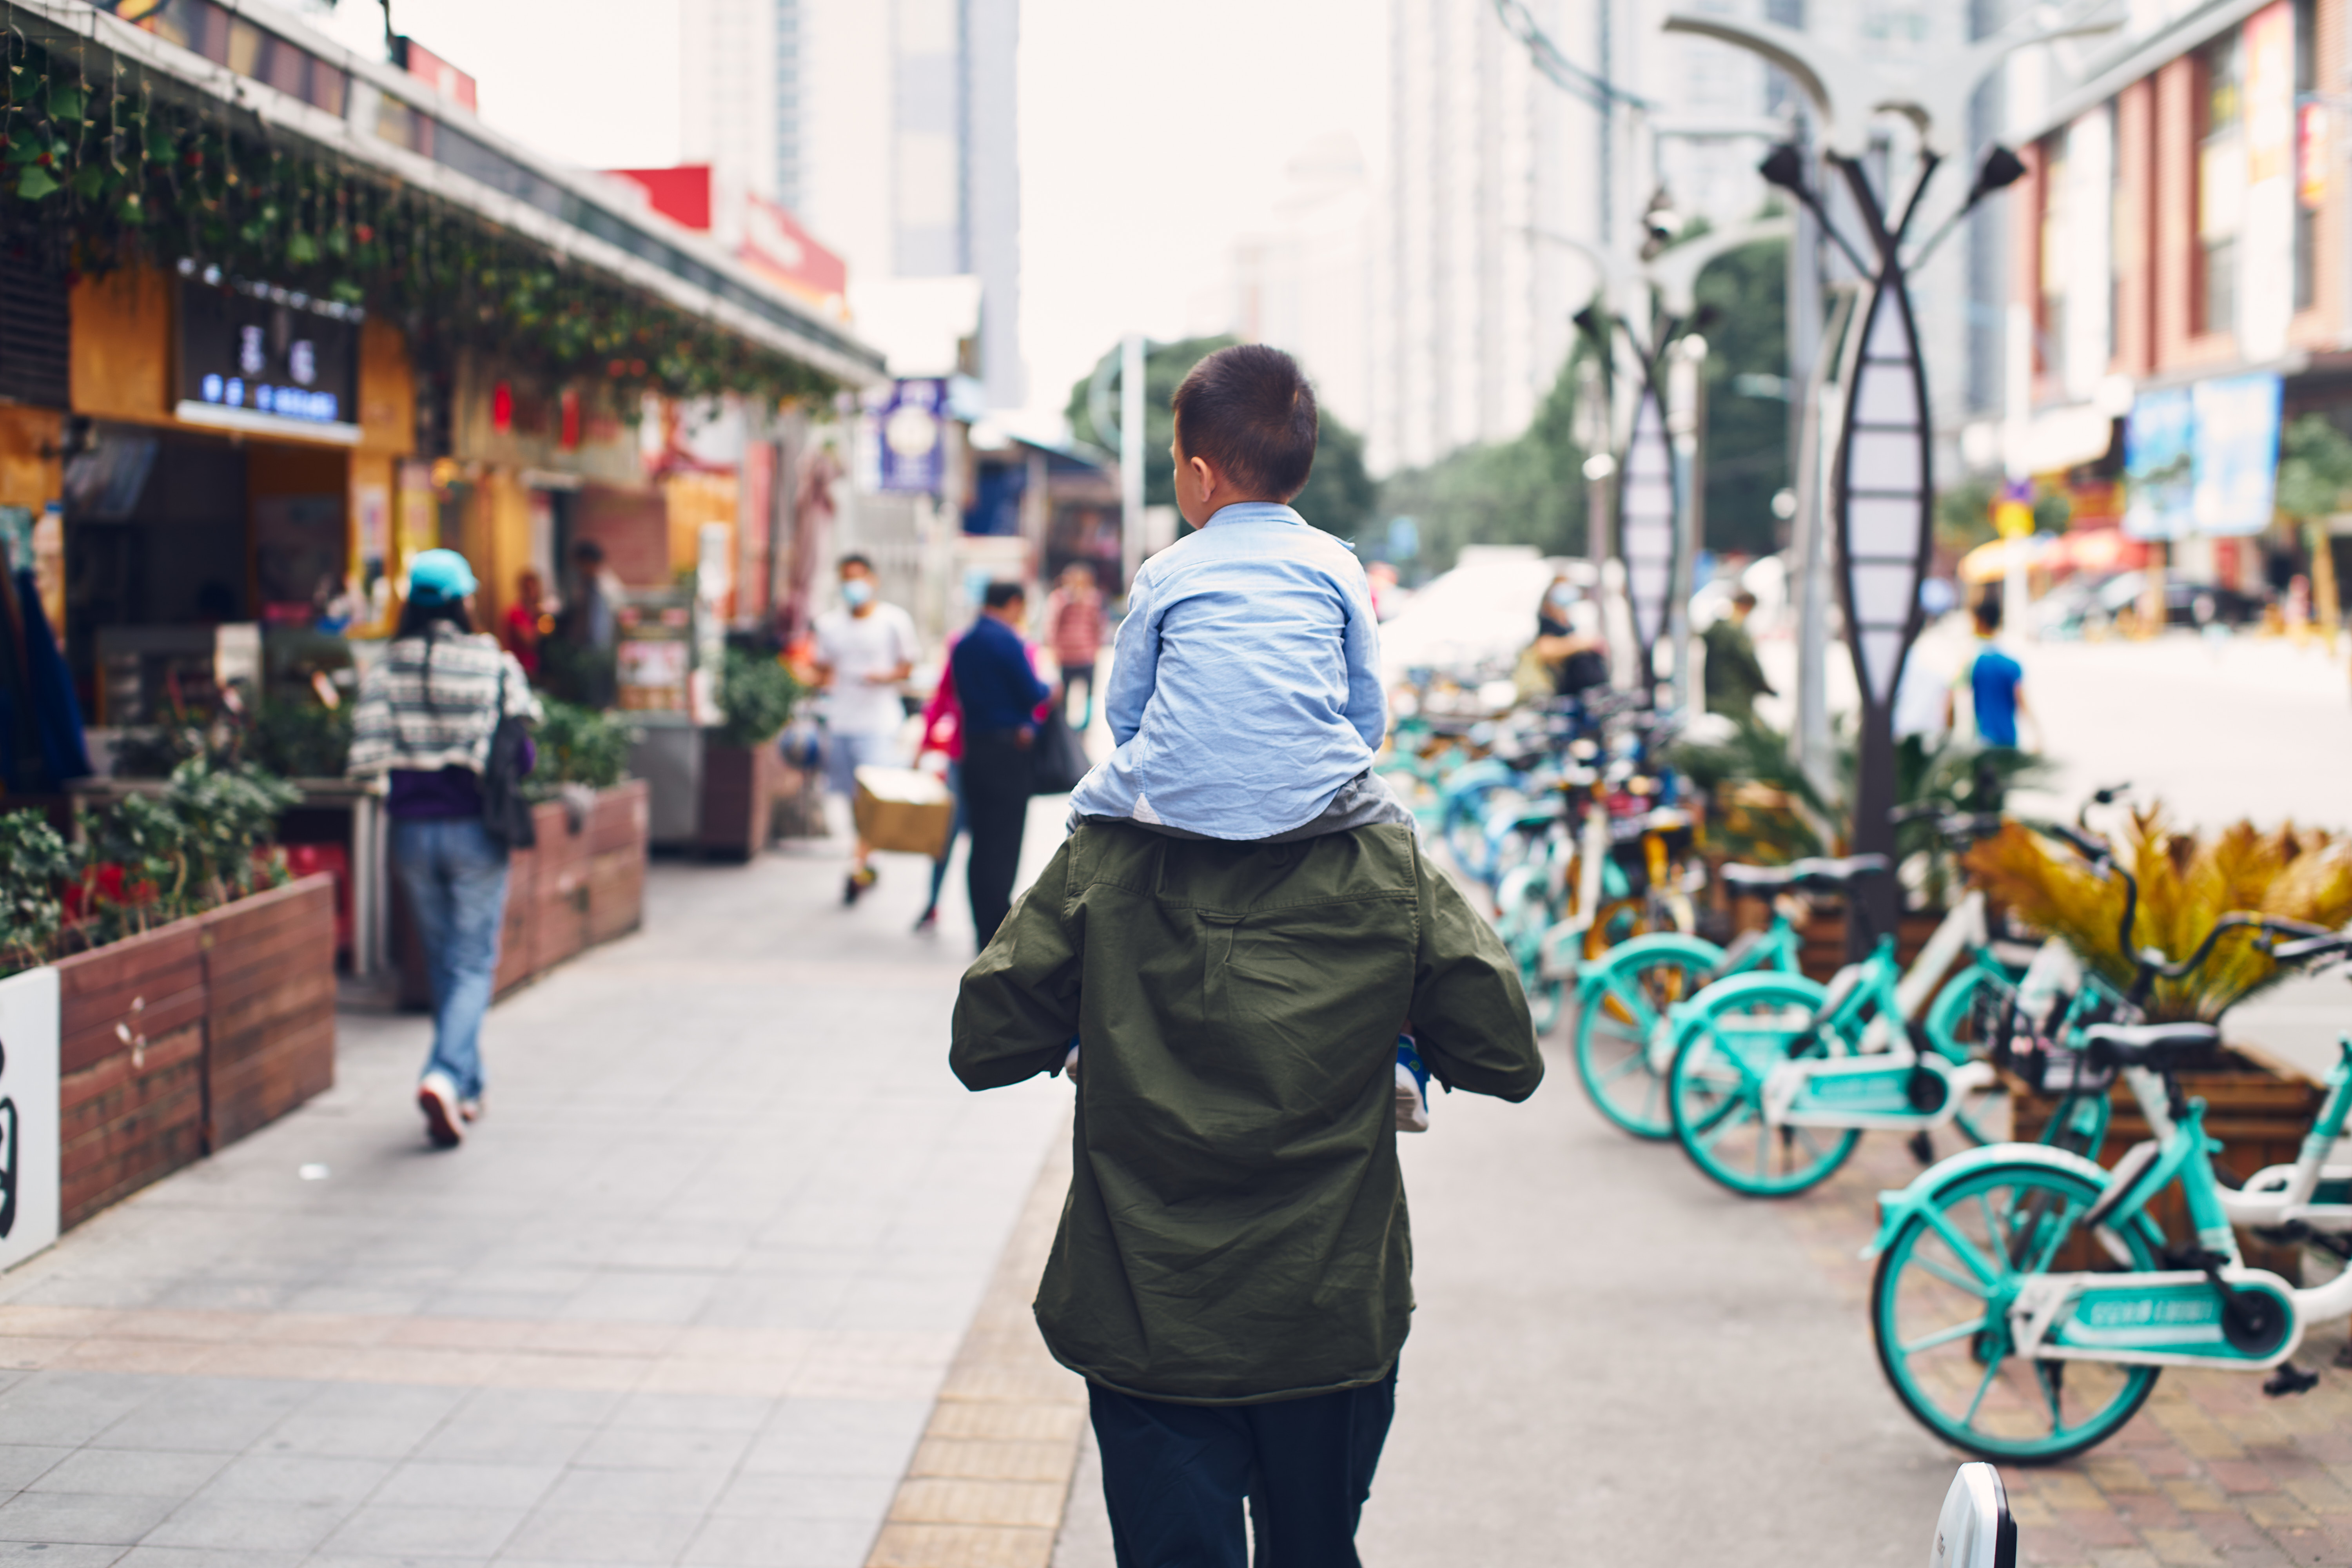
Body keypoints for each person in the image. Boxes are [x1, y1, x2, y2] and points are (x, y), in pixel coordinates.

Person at [951, 777, 1543, 1568]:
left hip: (1147, 1305)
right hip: (1326, 1307)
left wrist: (1093, 1008)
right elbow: (1504, 1056)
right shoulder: (1386, 860)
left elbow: (986, 1043)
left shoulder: (1104, 852)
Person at [1065, 344, 1415, 845]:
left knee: (1082, 812)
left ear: (1202, 477)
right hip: (1319, 797)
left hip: (1176, 793)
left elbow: (1126, 710)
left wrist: (1178, 771)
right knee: (1403, 834)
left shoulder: (1164, 572)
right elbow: (1365, 716)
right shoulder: (1340, 565)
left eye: (1176, 464)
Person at [348, 549, 540, 1150]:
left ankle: (468, 1086)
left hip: (408, 833)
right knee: (473, 962)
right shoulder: (492, 662)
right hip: (475, 830)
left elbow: (365, 752)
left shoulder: (387, 667)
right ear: (463, 600)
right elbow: (523, 751)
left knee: (441, 963)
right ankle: (445, 1075)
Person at [812, 554, 920, 904]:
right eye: (847, 578)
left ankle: (859, 865)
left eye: (859, 577)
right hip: (841, 722)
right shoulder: (829, 625)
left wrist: (883, 676)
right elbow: (822, 670)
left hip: (879, 724)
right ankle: (866, 858)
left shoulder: (893, 621)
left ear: (873, 580)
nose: (853, 585)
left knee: (872, 797)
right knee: (850, 799)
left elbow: (907, 667)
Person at [949, 581, 1050, 948]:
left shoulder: (963, 642)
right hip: (1008, 752)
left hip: (974, 750)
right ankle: (996, 926)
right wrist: (1047, 692)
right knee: (1004, 842)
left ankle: (983, 923)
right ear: (1013, 603)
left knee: (980, 841)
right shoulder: (1007, 642)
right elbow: (1030, 692)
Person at [911, 650, 967, 935]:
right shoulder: (1020, 648)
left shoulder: (963, 647)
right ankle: (933, 902)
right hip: (973, 761)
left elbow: (941, 700)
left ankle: (933, 903)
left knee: (947, 836)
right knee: (948, 835)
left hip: (966, 760)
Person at [1946, 595, 2034, 751]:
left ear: (1980, 621)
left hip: (1982, 741)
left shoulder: (1971, 658)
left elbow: (1951, 697)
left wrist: (1948, 734)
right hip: (2008, 739)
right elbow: (2021, 700)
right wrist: (2036, 733)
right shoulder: (2010, 661)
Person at [1041, 562, 1105, 730]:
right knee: (1064, 693)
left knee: (1089, 693)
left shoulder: (1093, 599)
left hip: (1086, 654)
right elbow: (1052, 625)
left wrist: (1096, 647)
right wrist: (1054, 650)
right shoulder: (1059, 599)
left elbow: (1098, 625)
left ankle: (1085, 726)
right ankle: (1065, 727)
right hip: (1066, 655)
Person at [1701, 588, 1775, 724]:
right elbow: (1748, 660)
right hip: (1735, 695)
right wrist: (1763, 684)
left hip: (1714, 693)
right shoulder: (1736, 630)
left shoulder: (1718, 626)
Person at [1535, 574, 1611, 700]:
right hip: (1571, 698)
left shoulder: (1569, 622)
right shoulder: (1548, 623)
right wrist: (1583, 643)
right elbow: (1546, 650)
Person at [502, 569, 545, 676]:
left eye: (534, 588)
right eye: (528, 589)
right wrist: (542, 622)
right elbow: (529, 640)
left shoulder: (534, 612)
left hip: (535, 669)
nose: (532, 593)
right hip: (519, 670)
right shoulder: (515, 612)